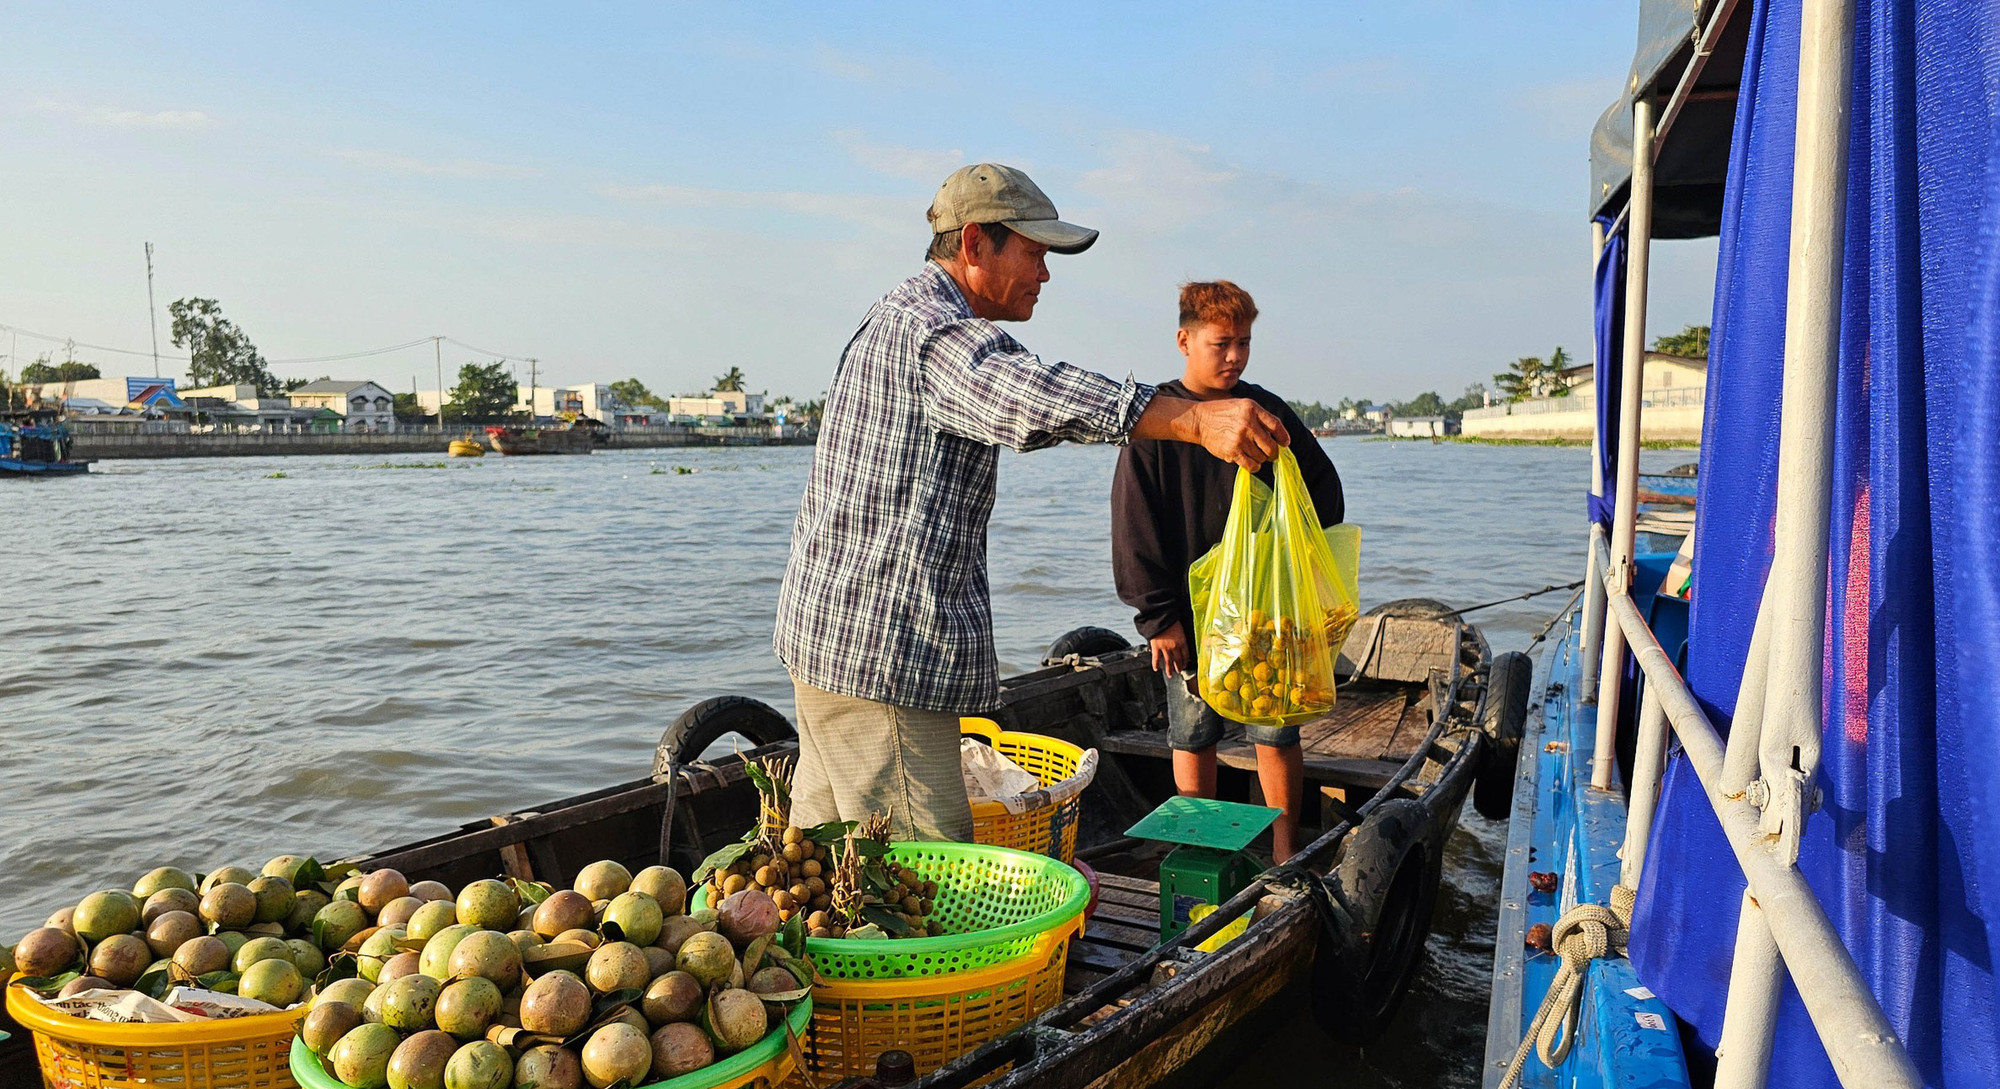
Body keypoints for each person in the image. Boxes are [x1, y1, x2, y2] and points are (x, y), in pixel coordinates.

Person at [775, 164, 1292, 841]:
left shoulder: (899, 314)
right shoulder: (937, 333)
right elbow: (1030, 394)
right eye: (1034, 253)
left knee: (825, 861)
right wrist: (1194, 420)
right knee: (914, 873)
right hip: (882, 666)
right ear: (974, 245)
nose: (1045, 275)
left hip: (831, 648)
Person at [1111, 280, 1344, 862]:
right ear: (1184, 340)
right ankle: (1202, 857)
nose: (1235, 356)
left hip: (1262, 613)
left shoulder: (1264, 412)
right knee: (1192, 734)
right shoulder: (1157, 424)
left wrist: (1291, 562)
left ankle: (1286, 853)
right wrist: (1158, 617)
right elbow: (1133, 525)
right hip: (1188, 618)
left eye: (1244, 343)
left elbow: (1322, 491)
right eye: (1221, 344)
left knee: (1276, 731)